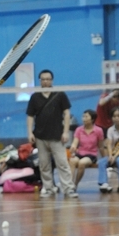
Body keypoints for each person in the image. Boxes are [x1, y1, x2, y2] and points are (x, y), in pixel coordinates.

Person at [26, 69, 77, 198]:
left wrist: (65, 132)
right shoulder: (35, 97)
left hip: (57, 136)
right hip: (40, 136)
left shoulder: (60, 94)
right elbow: (30, 116)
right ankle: (48, 188)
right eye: (43, 79)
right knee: (44, 165)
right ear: (40, 81)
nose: (45, 81)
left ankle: (68, 188)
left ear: (52, 80)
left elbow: (66, 114)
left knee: (62, 163)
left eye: (48, 79)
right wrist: (30, 133)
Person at [69, 109, 104, 189]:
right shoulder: (79, 129)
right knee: (72, 161)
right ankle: (70, 184)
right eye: (83, 116)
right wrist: (73, 147)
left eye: (86, 117)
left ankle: (75, 183)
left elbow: (101, 146)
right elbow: (75, 142)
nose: (83, 119)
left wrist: (104, 158)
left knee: (81, 163)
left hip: (91, 155)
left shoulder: (98, 130)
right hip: (80, 153)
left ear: (92, 119)